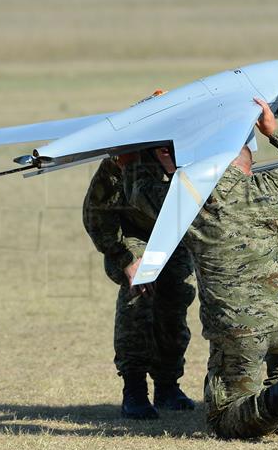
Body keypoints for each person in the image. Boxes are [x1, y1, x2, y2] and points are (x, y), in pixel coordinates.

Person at [123, 98, 278, 442]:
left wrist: (133, 154)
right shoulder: (272, 188)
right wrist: (274, 131)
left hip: (240, 332)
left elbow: (137, 189)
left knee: (223, 417)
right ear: (247, 160)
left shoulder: (187, 203)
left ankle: (274, 402)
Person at [82, 150, 197, 419]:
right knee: (140, 295)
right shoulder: (124, 159)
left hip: (174, 234)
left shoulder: (192, 154)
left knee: (177, 299)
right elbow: (95, 213)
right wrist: (124, 258)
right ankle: (134, 390)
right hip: (132, 237)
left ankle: (168, 386)